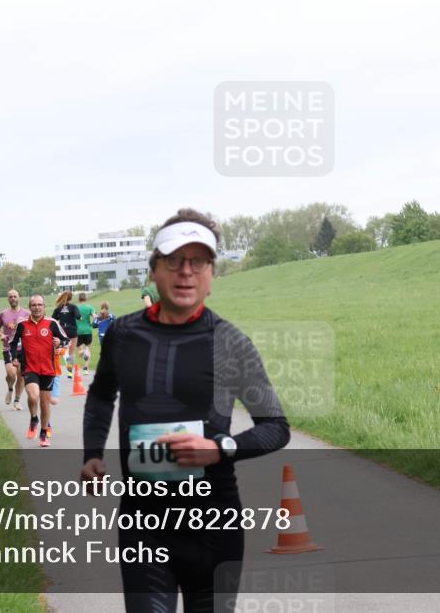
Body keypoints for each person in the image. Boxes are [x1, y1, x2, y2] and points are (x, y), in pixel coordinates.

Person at [81, 209, 290, 612]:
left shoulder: (230, 342)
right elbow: (102, 393)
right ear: (154, 270)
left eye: (199, 262)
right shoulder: (124, 334)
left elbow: (275, 427)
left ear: (211, 276)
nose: (186, 272)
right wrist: (92, 453)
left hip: (214, 525)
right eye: (174, 260)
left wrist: (219, 448)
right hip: (143, 521)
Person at [10, 295, 65, 447]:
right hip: (30, 367)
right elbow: (12, 342)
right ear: (30, 307)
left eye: (40, 304)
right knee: (33, 397)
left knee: (45, 402)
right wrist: (14, 356)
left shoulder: (52, 323)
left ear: (44, 306)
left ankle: (43, 433)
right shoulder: (22, 325)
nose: (37, 307)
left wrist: (59, 342)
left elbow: (65, 339)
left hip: (48, 369)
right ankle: (34, 418)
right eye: (34, 305)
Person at [0, 290, 30, 410]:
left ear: (19, 297)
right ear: (8, 299)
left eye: (15, 296)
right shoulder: (3, 314)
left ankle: (17, 400)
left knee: (21, 376)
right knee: (11, 374)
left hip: (23, 348)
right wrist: (1, 334)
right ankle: (10, 388)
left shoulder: (27, 313)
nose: (13, 298)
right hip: (8, 347)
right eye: (11, 297)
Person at [51, 291, 81, 379]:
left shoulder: (58, 308)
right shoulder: (73, 307)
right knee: (71, 352)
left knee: (63, 351)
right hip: (72, 332)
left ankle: (60, 364)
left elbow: (53, 320)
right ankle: (70, 372)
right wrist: (79, 317)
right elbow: (78, 316)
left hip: (62, 332)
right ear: (70, 298)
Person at [74, 292, 95, 371]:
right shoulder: (90, 308)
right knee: (88, 349)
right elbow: (95, 317)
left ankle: (81, 351)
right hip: (88, 331)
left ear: (79, 299)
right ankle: (86, 367)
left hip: (78, 331)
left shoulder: (75, 308)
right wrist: (92, 324)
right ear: (85, 299)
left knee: (80, 349)